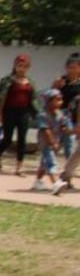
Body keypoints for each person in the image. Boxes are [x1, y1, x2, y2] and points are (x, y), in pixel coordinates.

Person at [0, 53, 38, 175]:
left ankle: (19, 167)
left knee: (22, 139)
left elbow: (34, 100)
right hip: (9, 111)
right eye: (19, 65)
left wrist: (38, 113)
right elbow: (1, 98)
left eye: (25, 66)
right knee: (8, 138)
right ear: (15, 66)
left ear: (28, 67)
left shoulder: (30, 82)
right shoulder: (7, 81)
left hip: (24, 113)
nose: (22, 68)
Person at [52, 52, 80, 194]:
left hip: (75, 117)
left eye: (74, 67)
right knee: (66, 146)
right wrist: (55, 86)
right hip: (63, 116)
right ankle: (62, 178)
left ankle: (64, 178)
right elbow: (51, 97)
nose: (71, 70)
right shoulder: (62, 81)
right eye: (70, 67)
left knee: (73, 148)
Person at [33, 89, 70, 193]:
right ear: (48, 101)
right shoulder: (43, 115)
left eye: (61, 99)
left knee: (44, 162)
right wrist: (52, 143)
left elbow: (63, 127)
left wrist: (71, 131)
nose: (60, 102)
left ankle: (38, 181)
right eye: (57, 100)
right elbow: (46, 131)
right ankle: (55, 183)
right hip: (46, 142)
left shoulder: (60, 114)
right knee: (50, 161)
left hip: (56, 141)